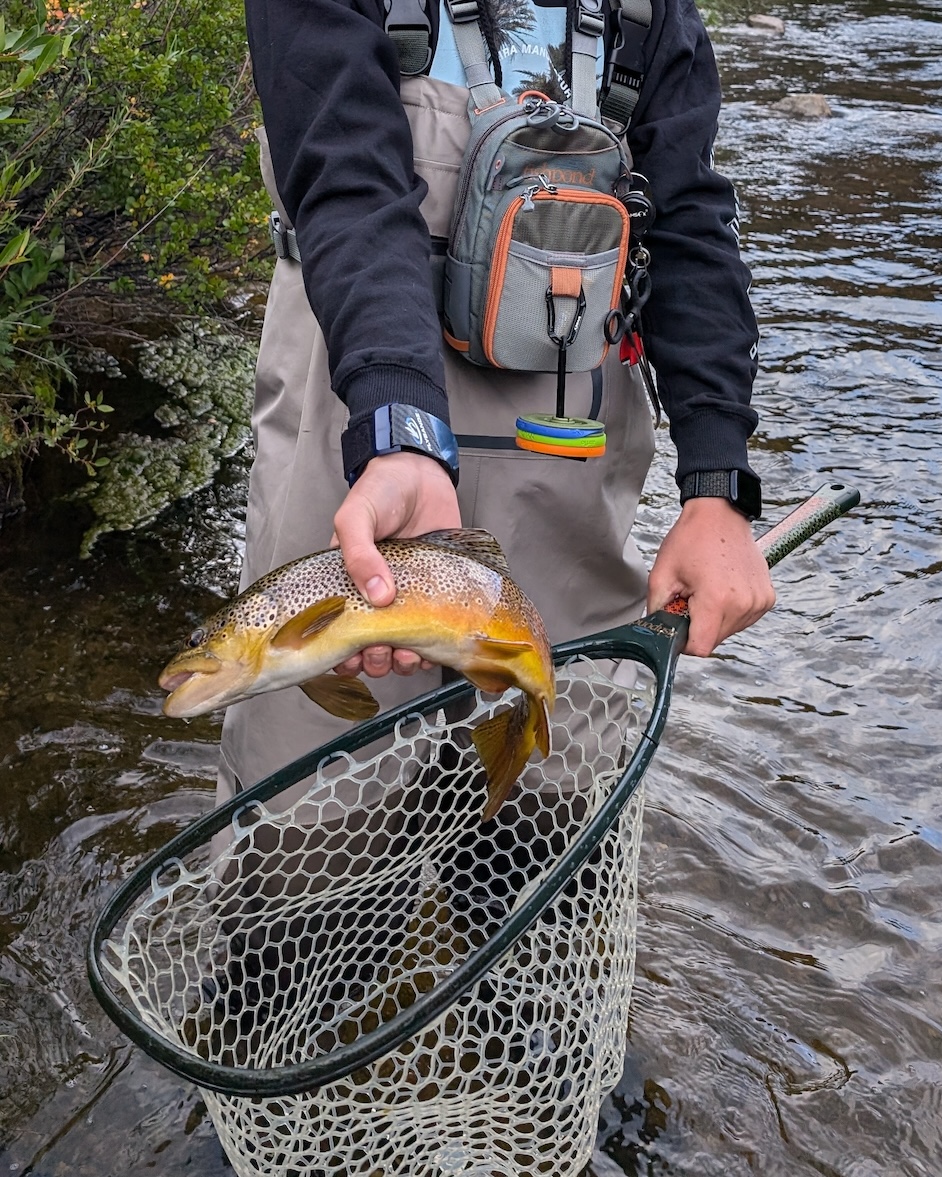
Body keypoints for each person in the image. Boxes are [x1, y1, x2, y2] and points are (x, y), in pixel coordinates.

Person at [217, 0, 776, 806]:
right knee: (307, 828)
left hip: (565, 482)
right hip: (354, 443)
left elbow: (688, 224)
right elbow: (350, 182)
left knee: (543, 817)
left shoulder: (655, 13)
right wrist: (398, 434)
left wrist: (718, 486)